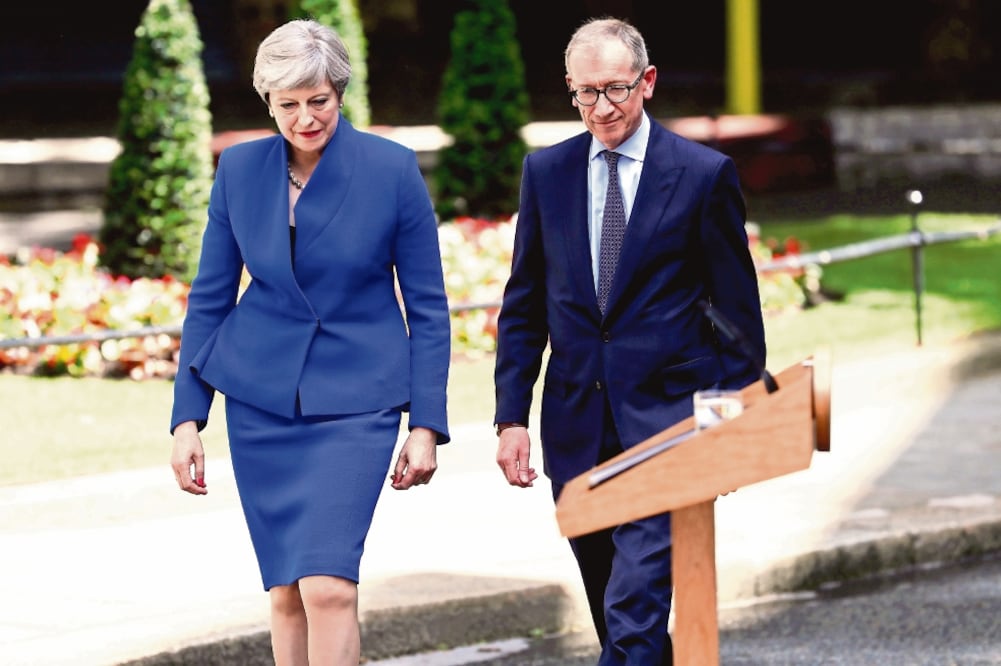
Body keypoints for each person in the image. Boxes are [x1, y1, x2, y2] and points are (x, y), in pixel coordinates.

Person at [169, 19, 451, 666]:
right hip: (260, 403)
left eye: (317, 101)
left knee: (327, 585)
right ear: (267, 102)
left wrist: (426, 424)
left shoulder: (392, 170)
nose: (304, 119)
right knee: (285, 594)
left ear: (340, 93)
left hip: (358, 401)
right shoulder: (238, 170)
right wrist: (188, 417)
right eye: (287, 104)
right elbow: (210, 297)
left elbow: (430, 309)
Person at [493, 16, 766, 665]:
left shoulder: (702, 174)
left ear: (646, 82)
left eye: (614, 89)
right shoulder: (547, 173)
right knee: (613, 612)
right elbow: (524, 303)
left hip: (667, 426)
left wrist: (727, 429)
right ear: (569, 90)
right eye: (585, 93)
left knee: (632, 610)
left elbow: (736, 315)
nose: (601, 108)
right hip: (575, 427)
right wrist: (510, 416)